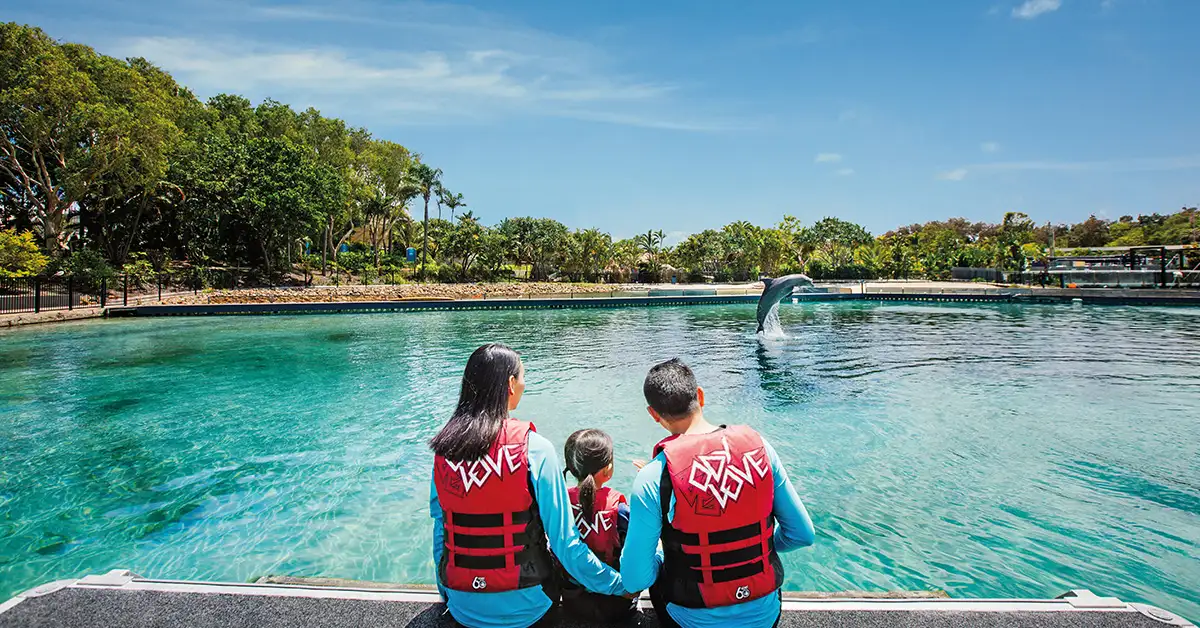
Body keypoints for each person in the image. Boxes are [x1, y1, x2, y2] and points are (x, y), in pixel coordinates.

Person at [429, 344, 625, 628]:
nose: (524, 384)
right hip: (531, 607)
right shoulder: (535, 449)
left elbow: (441, 535)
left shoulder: (444, 452)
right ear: (511, 384)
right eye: (523, 376)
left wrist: (448, 594)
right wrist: (617, 585)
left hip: (462, 607)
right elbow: (566, 545)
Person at [620, 358, 815, 628]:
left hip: (689, 619)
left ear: (653, 414)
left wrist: (667, 556)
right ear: (700, 396)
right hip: (766, 616)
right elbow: (802, 535)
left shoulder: (653, 476)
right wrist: (755, 549)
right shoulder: (761, 449)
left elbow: (635, 579)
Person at [560, 429, 637, 623]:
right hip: (617, 603)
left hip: (573, 600)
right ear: (607, 470)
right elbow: (638, 550)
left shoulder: (561, 504)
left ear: (571, 467)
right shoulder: (619, 509)